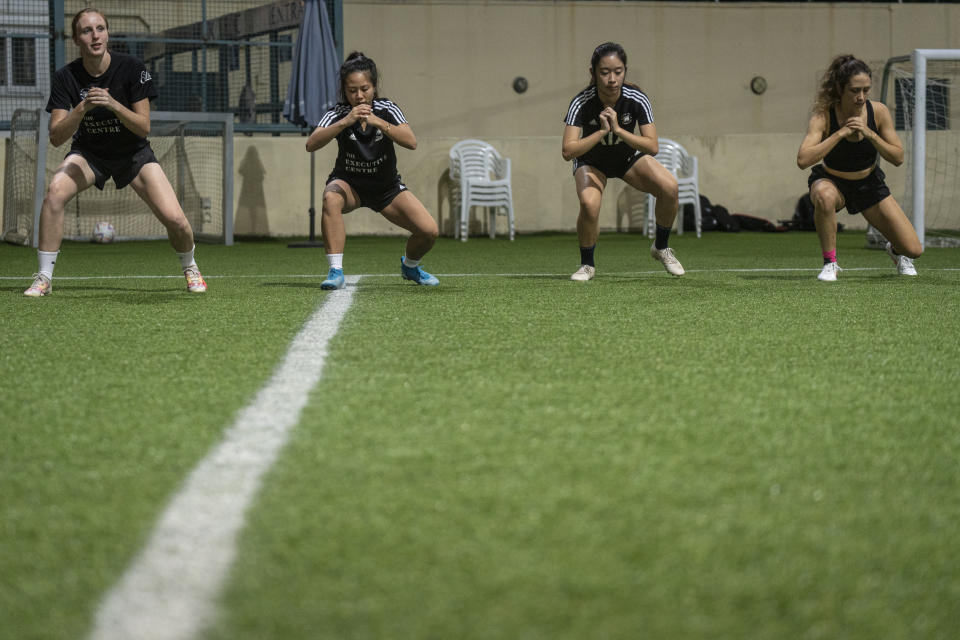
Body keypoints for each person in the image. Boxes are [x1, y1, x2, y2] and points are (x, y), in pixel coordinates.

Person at [24, 8, 206, 297]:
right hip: (89, 154)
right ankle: (44, 277)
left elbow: (144, 128)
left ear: (107, 33)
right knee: (54, 192)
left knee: (175, 220)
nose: (95, 35)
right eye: (87, 30)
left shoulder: (132, 68)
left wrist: (112, 104)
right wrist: (82, 107)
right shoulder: (65, 77)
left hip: (133, 154)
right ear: (75, 38)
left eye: (100, 28)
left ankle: (190, 266)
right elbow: (57, 137)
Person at [305, 52, 440, 290]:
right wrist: (345, 122)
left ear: (374, 87)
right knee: (330, 197)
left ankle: (410, 266)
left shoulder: (387, 108)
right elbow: (311, 144)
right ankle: (335, 271)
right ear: (344, 91)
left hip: (386, 189)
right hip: (350, 186)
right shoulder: (338, 113)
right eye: (352, 90)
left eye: (364, 89)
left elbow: (411, 141)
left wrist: (379, 122)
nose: (359, 96)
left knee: (429, 231)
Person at [562, 42, 684, 282]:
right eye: (604, 72)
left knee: (670, 187)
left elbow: (652, 146)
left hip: (626, 158)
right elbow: (568, 150)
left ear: (625, 71)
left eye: (618, 71)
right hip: (592, 161)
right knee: (589, 204)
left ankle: (661, 247)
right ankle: (587, 264)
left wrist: (618, 130)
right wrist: (599, 132)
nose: (611, 79)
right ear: (593, 73)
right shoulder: (581, 102)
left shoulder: (636, 98)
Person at [797, 54, 922, 282]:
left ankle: (895, 251)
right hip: (833, 181)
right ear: (839, 88)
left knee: (914, 250)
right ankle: (830, 264)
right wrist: (840, 134)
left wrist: (870, 134)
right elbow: (803, 159)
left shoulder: (879, 112)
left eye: (866, 90)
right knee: (824, 196)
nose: (861, 97)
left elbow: (898, 157)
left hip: (869, 184)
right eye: (855, 91)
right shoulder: (824, 114)